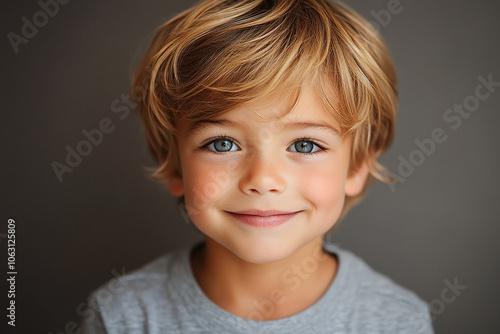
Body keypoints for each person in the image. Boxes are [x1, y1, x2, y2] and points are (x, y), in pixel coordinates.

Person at [81, 0, 434, 332]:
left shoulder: (397, 321)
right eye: (223, 144)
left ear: (357, 167)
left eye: (305, 145)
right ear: (174, 167)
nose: (262, 180)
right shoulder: (122, 316)